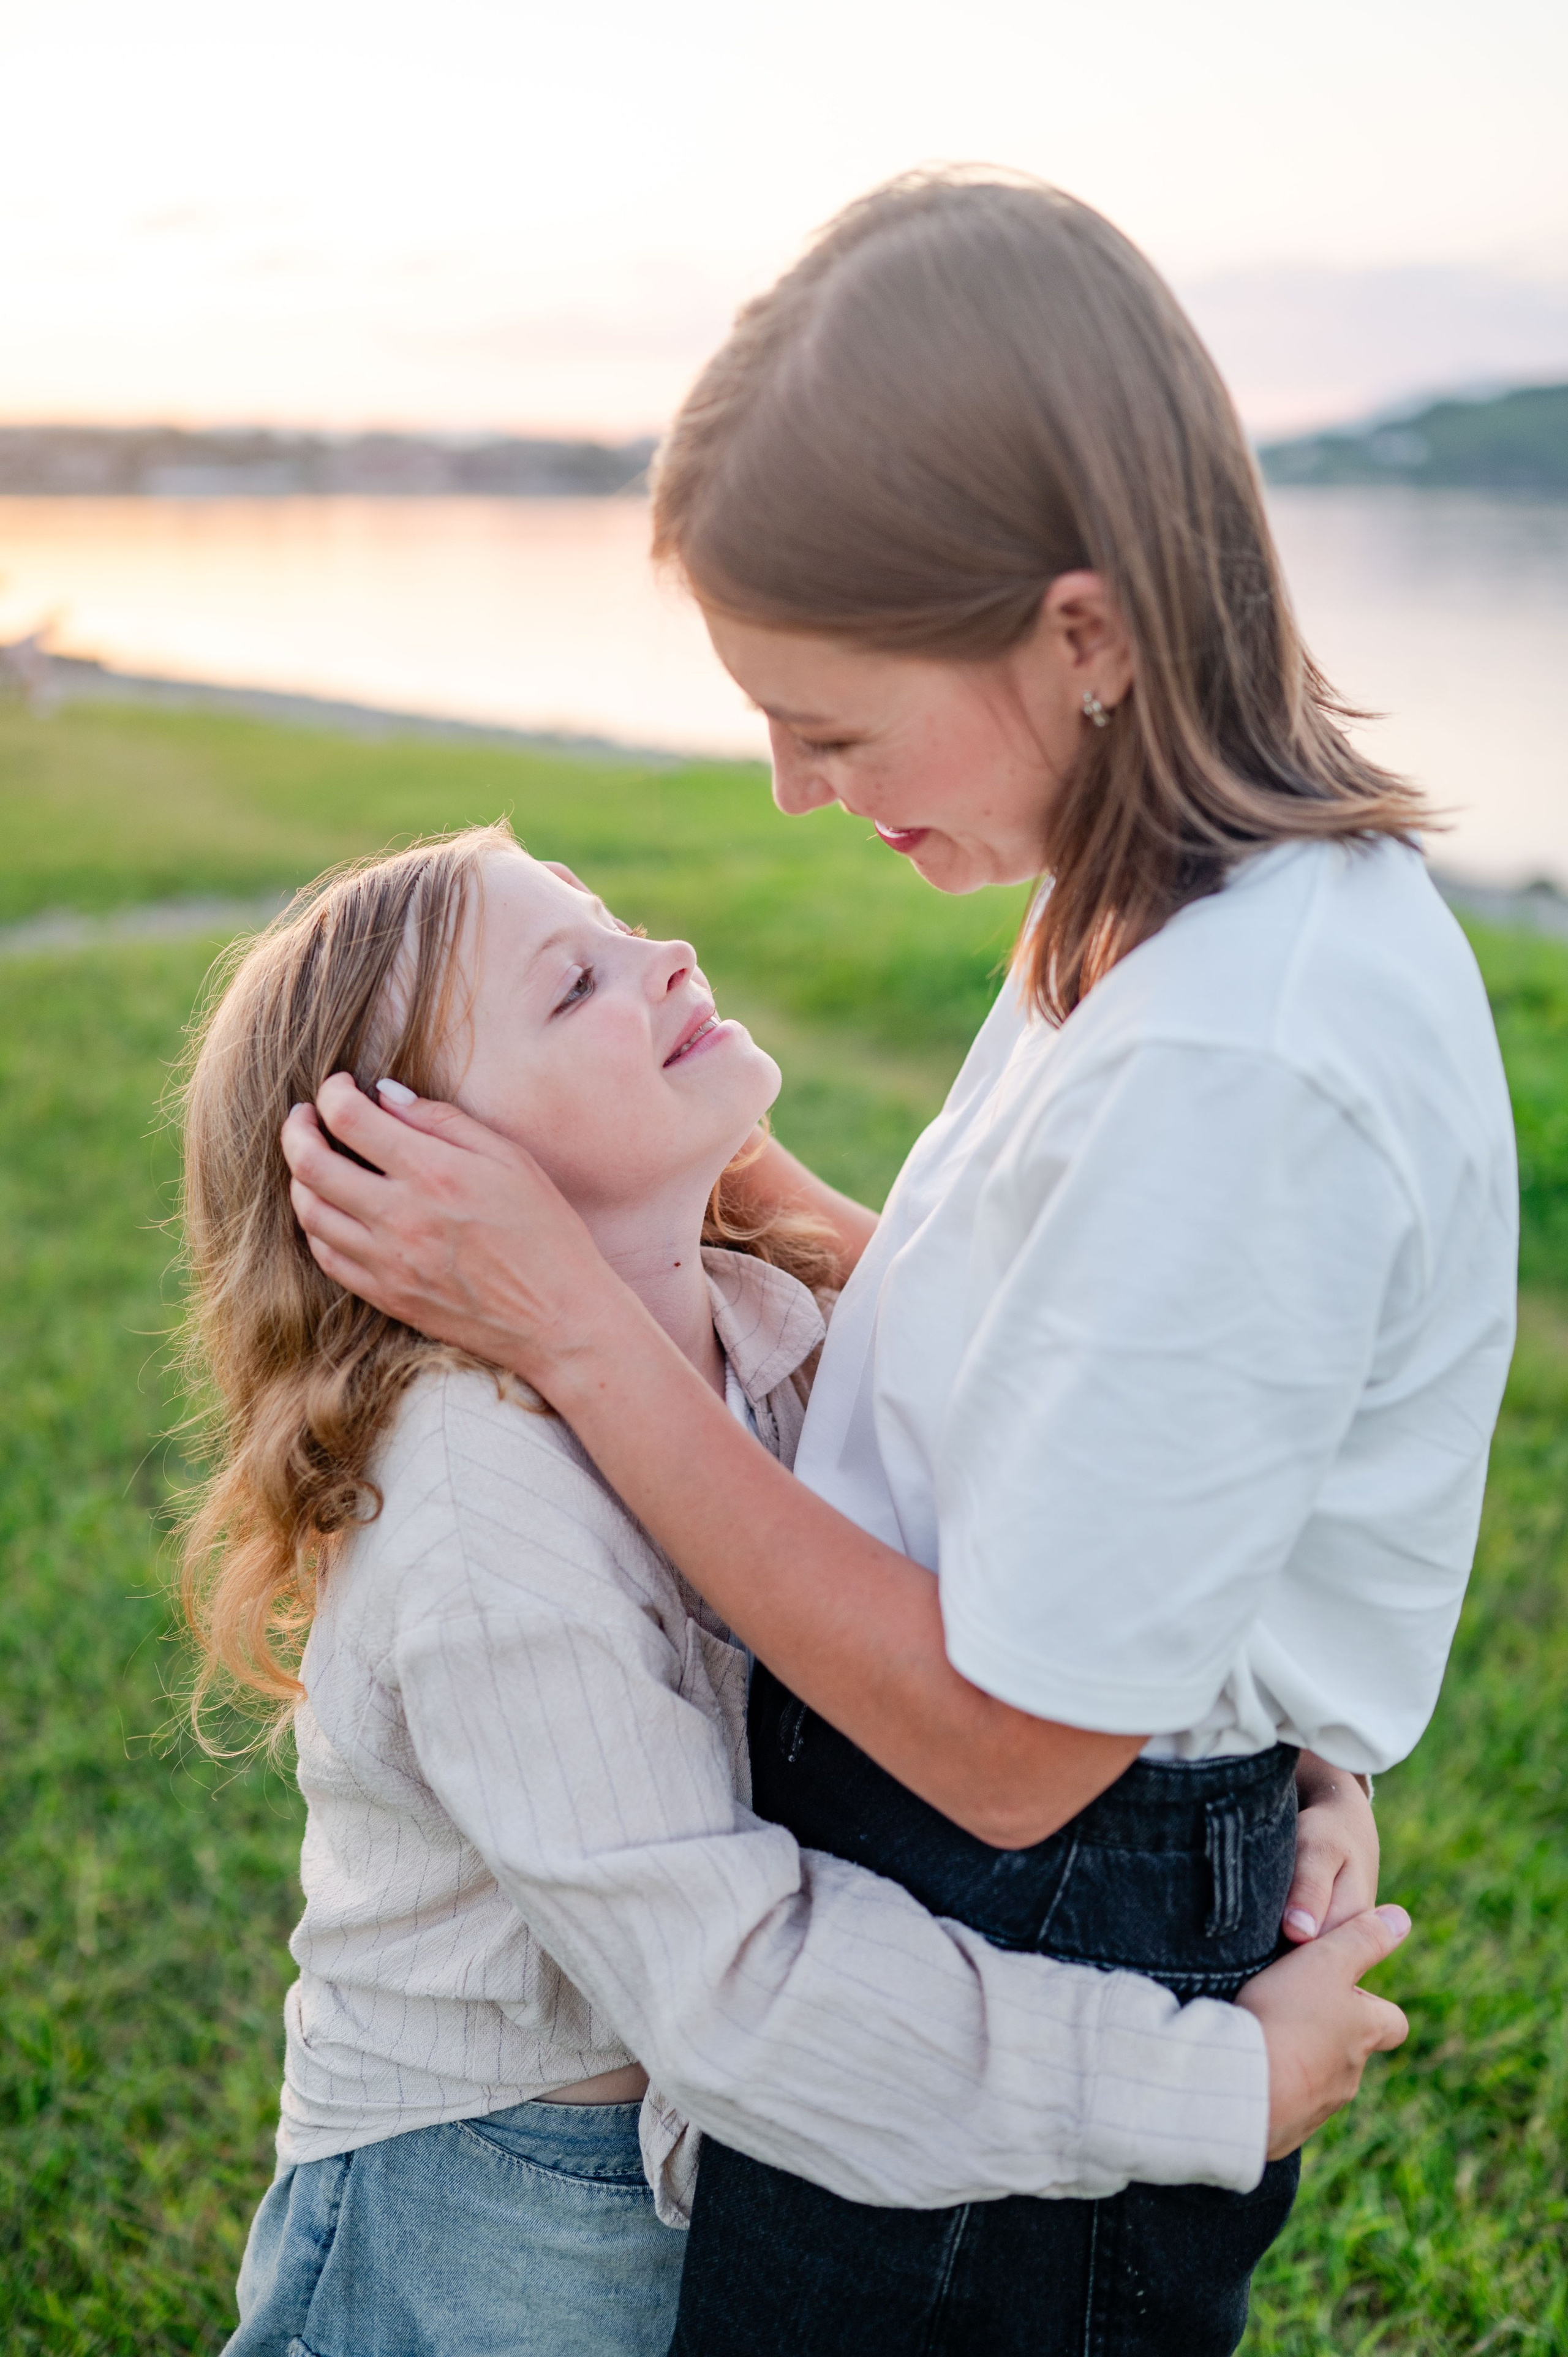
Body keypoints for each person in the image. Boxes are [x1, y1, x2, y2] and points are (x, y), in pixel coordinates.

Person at [279, 172, 1513, 2357]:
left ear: (1085, 632)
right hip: (1011, 1856)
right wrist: (784, 1223)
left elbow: (1018, 1742)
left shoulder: (1246, 1052)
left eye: (833, 726)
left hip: (1037, 1869)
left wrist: (577, 1319)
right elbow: (1066, 1345)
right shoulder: (1135, 910)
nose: (782, 793)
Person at [186, 828, 1401, 2357]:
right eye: (574, 985)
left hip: (701, 2157)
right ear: (421, 1175)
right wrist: (1210, 2085)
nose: (664, 953)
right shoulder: (477, 1515)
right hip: (491, 2209)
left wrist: (1293, 1761)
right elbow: (740, 1985)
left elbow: (1064, 1527)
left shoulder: (769, 1326)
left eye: (617, 917)